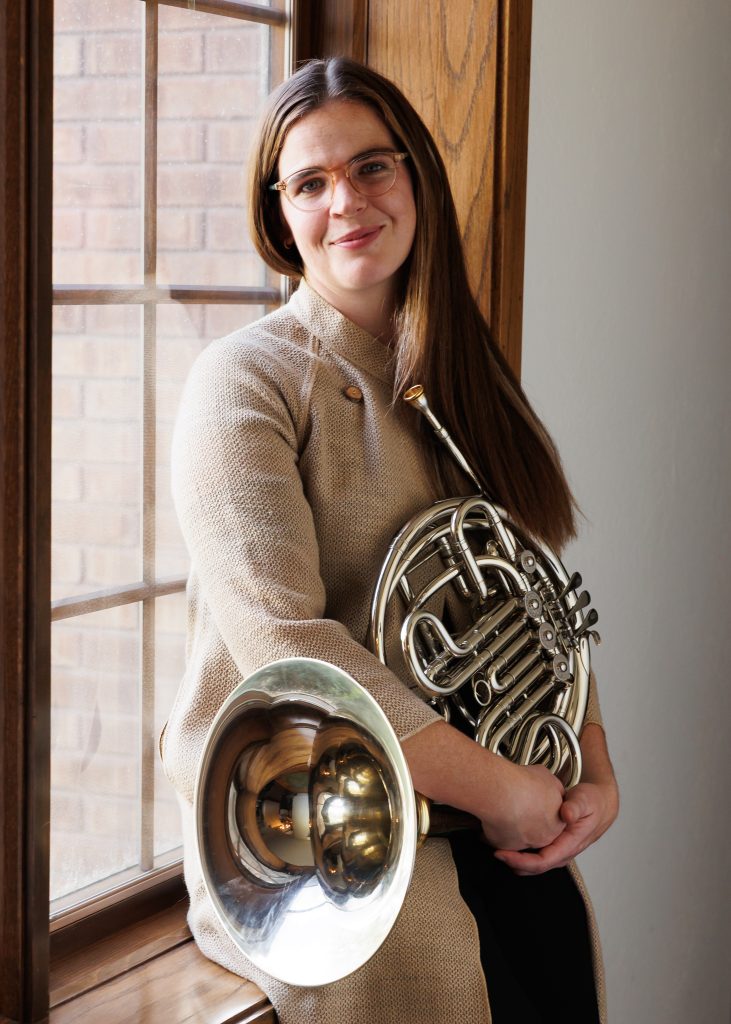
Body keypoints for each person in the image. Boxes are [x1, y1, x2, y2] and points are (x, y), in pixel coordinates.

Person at [161, 57, 619, 1024]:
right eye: (310, 182)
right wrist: (497, 789)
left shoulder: (464, 379)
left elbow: (534, 604)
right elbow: (287, 647)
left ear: (416, 178)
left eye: (372, 166)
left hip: (487, 814)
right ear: (278, 213)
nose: (346, 202)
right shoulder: (242, 381)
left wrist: (591, 764)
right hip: (317, 838)